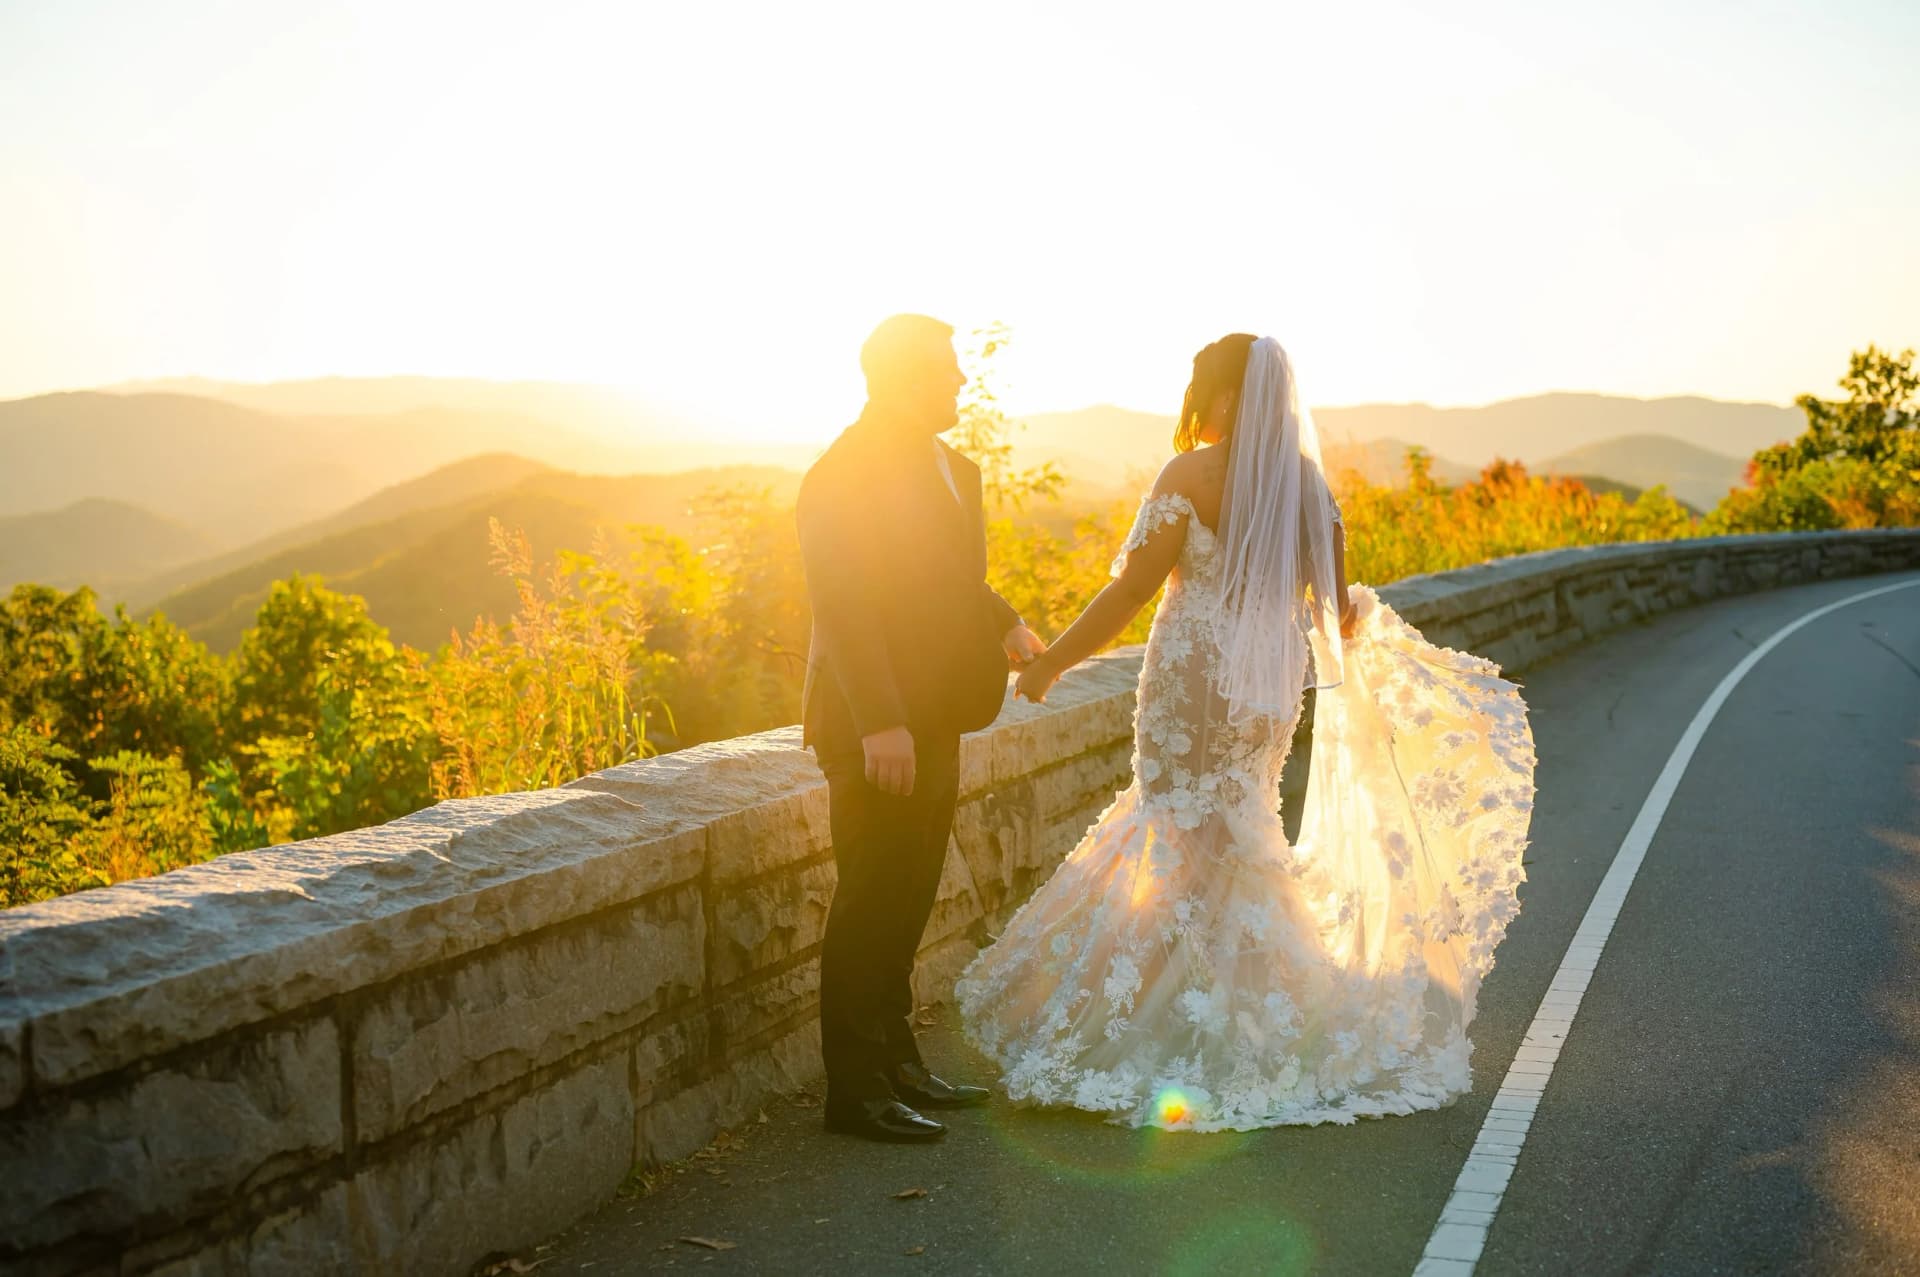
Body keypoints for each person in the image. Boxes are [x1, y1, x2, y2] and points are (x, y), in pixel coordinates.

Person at [956, 335, 1537, 1130]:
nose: (1198, 406)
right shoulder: (1306, 483)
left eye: (1204, 391)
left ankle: (1175, 1020)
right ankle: (1260, 1012)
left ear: (1227, 397)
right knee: (1243, 828)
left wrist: (1052, 662)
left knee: (1178, 825)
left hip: (1195, 679)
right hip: (1266, 685)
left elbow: (1131, 589)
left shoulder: (1190, 476)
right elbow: (1339, 611)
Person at [797, 313, 1048, 1143]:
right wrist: (881, 723)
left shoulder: (949, 465)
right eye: (945, 369)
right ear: (901, 378)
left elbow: (944, 576)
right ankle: (855, 1093)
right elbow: (844, 602)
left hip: (935, 711)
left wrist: (1004, 618)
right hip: (878, 727)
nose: (959, 382)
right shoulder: (844, 471)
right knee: (868, 900)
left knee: (907, 897)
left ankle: (897, 1061)